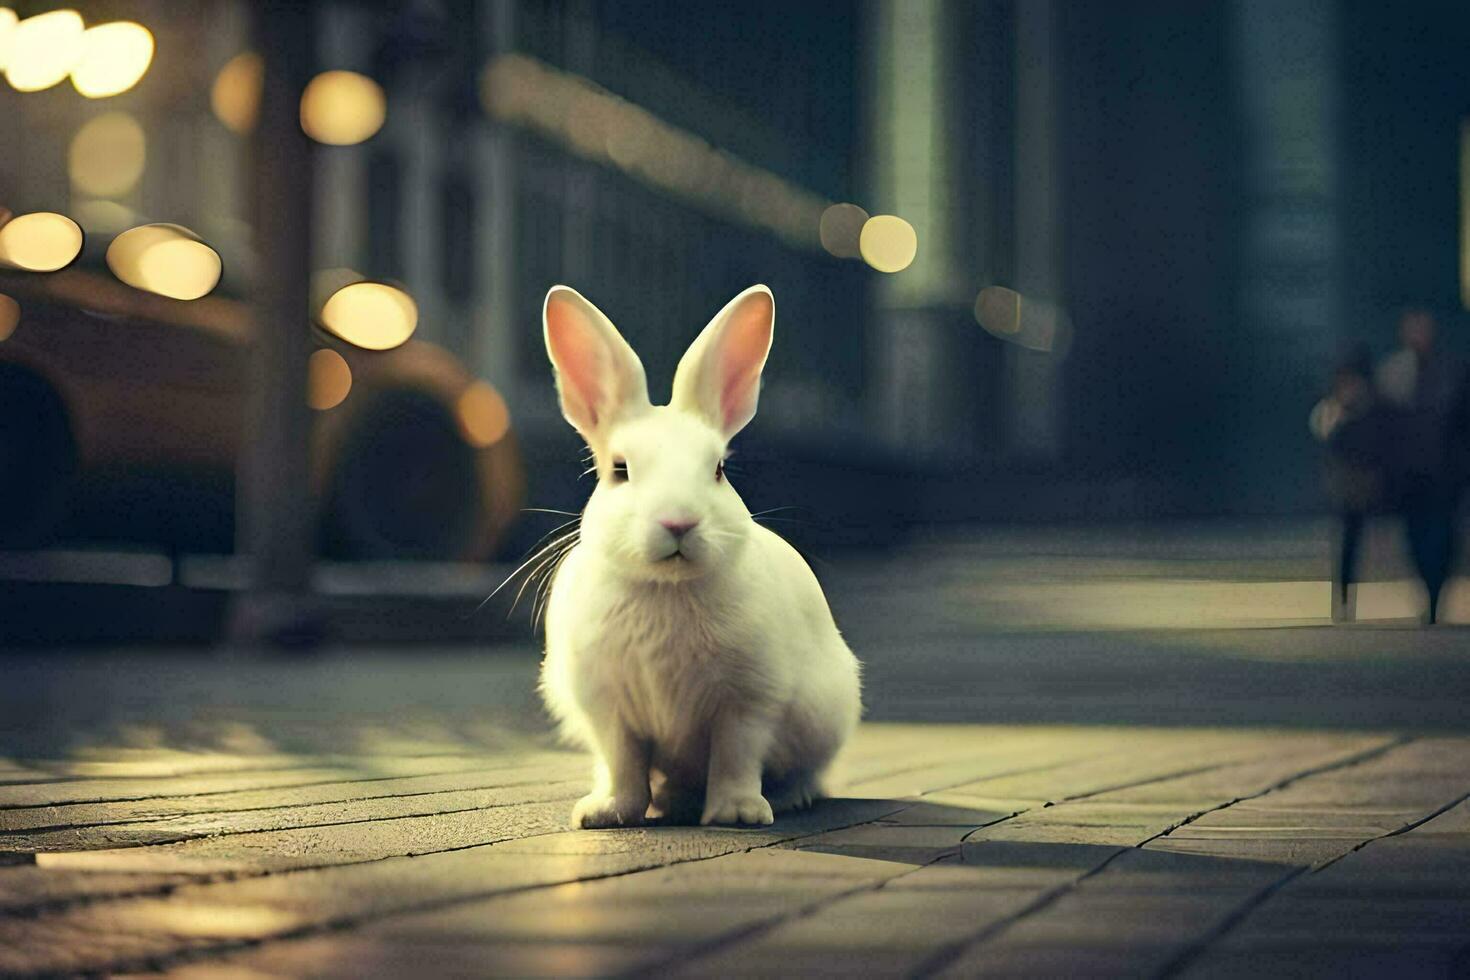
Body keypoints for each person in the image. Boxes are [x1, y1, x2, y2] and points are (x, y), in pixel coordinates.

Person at [1375, 308, 1466, 624]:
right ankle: (1428, 588)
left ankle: (1435, 594)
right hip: (1409, 475)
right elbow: (1384, 428)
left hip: (1444, 474)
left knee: (1441, 537)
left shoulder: (1452, 371)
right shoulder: (1392, 373)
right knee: (1415, 537)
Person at [1310, 346, 1390, 621]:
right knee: (1348, 542)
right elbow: (1323, 432)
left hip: (1371, 481)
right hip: (1348, 486)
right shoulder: (1335, 407)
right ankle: (1345, 598)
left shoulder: (1374, 405)